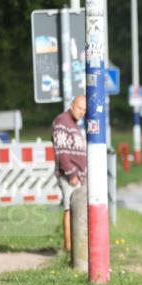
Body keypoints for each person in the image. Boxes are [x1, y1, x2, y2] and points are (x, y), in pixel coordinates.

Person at [51, 95, 87, 252]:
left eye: (85, 110)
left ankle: (76, 247)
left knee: (76, 210)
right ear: (72, 105)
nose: (82, 112)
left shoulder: (74, 125)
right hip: (69, 176)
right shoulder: (62, 122)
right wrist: (71, 173)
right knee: (69, 209)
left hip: (78, 175)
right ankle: (68, 248)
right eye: (79, 108)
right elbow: (61, 150)